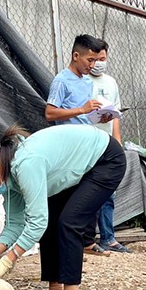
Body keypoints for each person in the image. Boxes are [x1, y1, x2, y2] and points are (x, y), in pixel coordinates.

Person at [0, 124, 126, 290]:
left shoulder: (26, 165)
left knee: (69, 223)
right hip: (81, 162)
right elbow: (14, 225)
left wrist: (6, 262)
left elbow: (36, 222)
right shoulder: (8, 178)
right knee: (50, 222)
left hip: (105, 160)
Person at [45, 34, 115, 256]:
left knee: (88, 191)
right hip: (67, 146)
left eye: (96, 61)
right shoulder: (61, 81)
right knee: (67, 193)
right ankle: (67, 241)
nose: (92, 66)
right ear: (76, 56)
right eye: (90, 60)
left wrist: (99, 116)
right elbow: (49, 113)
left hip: (86, 143)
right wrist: (82, 110)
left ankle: (86, 240)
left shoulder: (86, 82)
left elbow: (84, 114)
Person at [89, 41, 129, 253]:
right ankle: (85, 239)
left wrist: (117, 140)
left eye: (102, 59)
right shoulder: (81, 80)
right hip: (86, 143)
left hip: (106, 143)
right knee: (84, 190)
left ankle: (108, 237)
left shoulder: (111, 82)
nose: (98, 64)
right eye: (94, 59)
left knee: (108, 192)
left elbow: (116, 116)